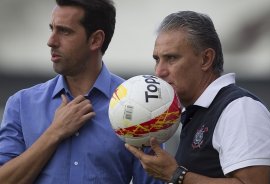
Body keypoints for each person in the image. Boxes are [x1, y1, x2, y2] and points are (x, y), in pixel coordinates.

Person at [0, 0, 163, 183]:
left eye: (64, 31)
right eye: (52, 29)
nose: (51, 41)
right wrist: (54, 133)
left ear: (95, 40)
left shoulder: (141, 106)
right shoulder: (21, 104)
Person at [125, 10, 270, 184]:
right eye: (157, 59)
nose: (159, 72)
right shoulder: (195, 113)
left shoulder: (240, 109)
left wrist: (176, 175)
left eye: (171, 58)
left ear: (206, 59)